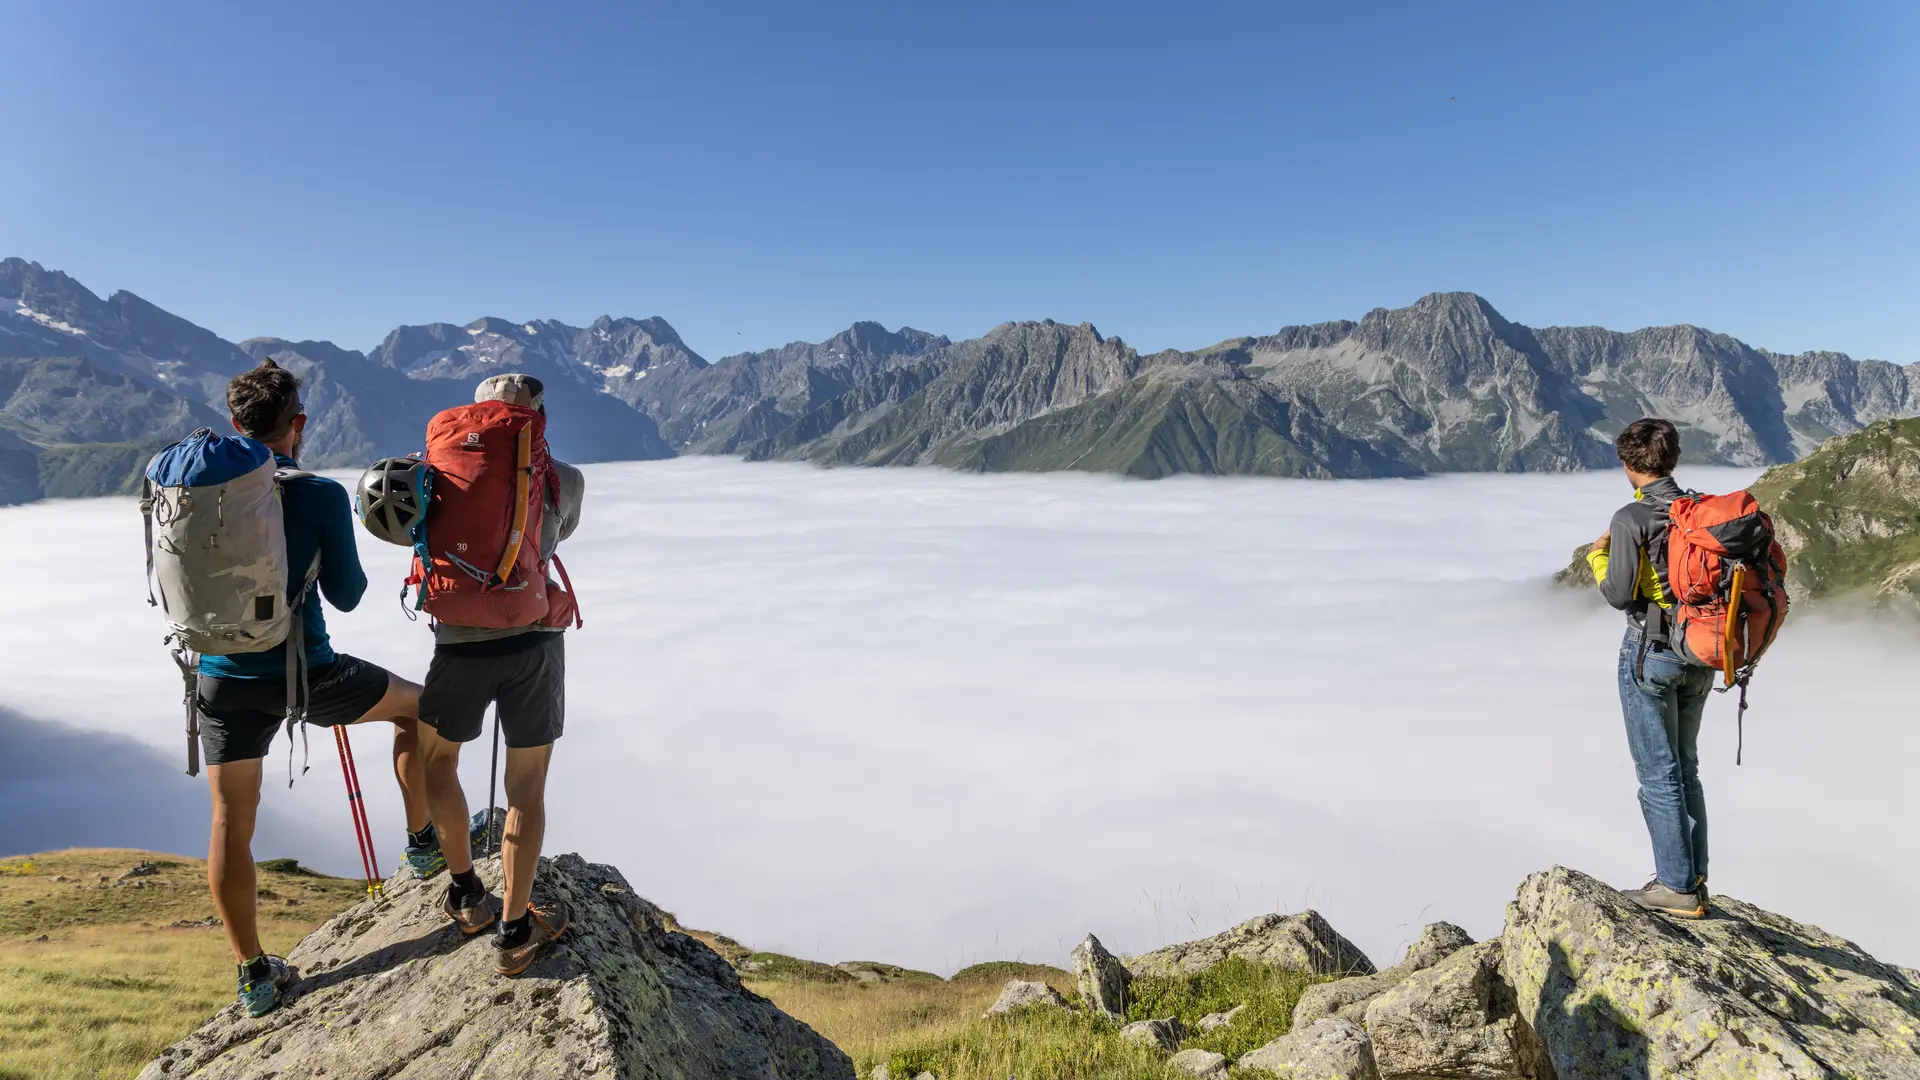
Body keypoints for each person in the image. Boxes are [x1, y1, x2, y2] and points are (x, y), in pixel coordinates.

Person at [195, 359, 445, 1016]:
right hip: (308, 674)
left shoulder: (201, 489)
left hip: (220, 676)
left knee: (229, 822)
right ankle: (424, 848)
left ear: (235, 424)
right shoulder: (317, 492)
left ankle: (253, 976)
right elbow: (349, 594)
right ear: (298, 424)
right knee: (421, 709)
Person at [416, 373, 585, 976]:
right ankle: (515, 933)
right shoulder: (568, 478)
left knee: (438, 762)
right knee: (526, 790)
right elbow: (556, 536)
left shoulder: (439, 467)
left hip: (458, 641)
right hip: (534, 642)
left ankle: (465, 893)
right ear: (538, 415)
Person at [1586, 417, 1712, 919]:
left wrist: (1599, 557)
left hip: (1650, 652)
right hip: (1700, 652)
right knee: (1687, 770)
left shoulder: (1629, 518)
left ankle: (1675, 889)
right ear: (1672, 459)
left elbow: (1619, 595)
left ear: (1628, 465)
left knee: (1658, 775)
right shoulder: (1698, 510)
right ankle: (1695, 878)